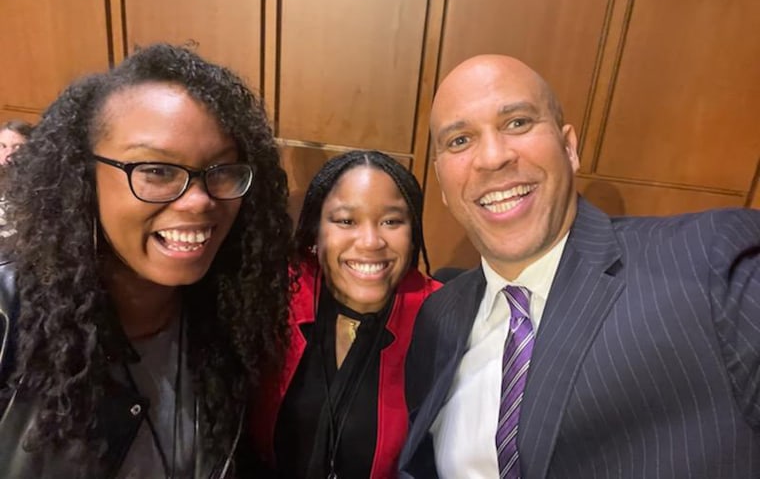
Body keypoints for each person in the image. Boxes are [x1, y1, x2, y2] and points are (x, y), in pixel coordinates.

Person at [400, 55, 760, 478]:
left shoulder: (710, 261)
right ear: (442, 184)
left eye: (516, 122)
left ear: (569, 148)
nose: (492, 157)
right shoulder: (438, 316)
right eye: (459, 140)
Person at [0, 44, 293, 478]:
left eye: (222, 170)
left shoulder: (226, 320)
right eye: (157, 170)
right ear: (84, 177)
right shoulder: (10, 317)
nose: (198, 202)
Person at [251, 150, 442, 478]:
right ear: (315, 232)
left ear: (413, 237)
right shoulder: (273, 293)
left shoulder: (443, 315)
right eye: (346, 221)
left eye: (391, 221)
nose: (370, 241)